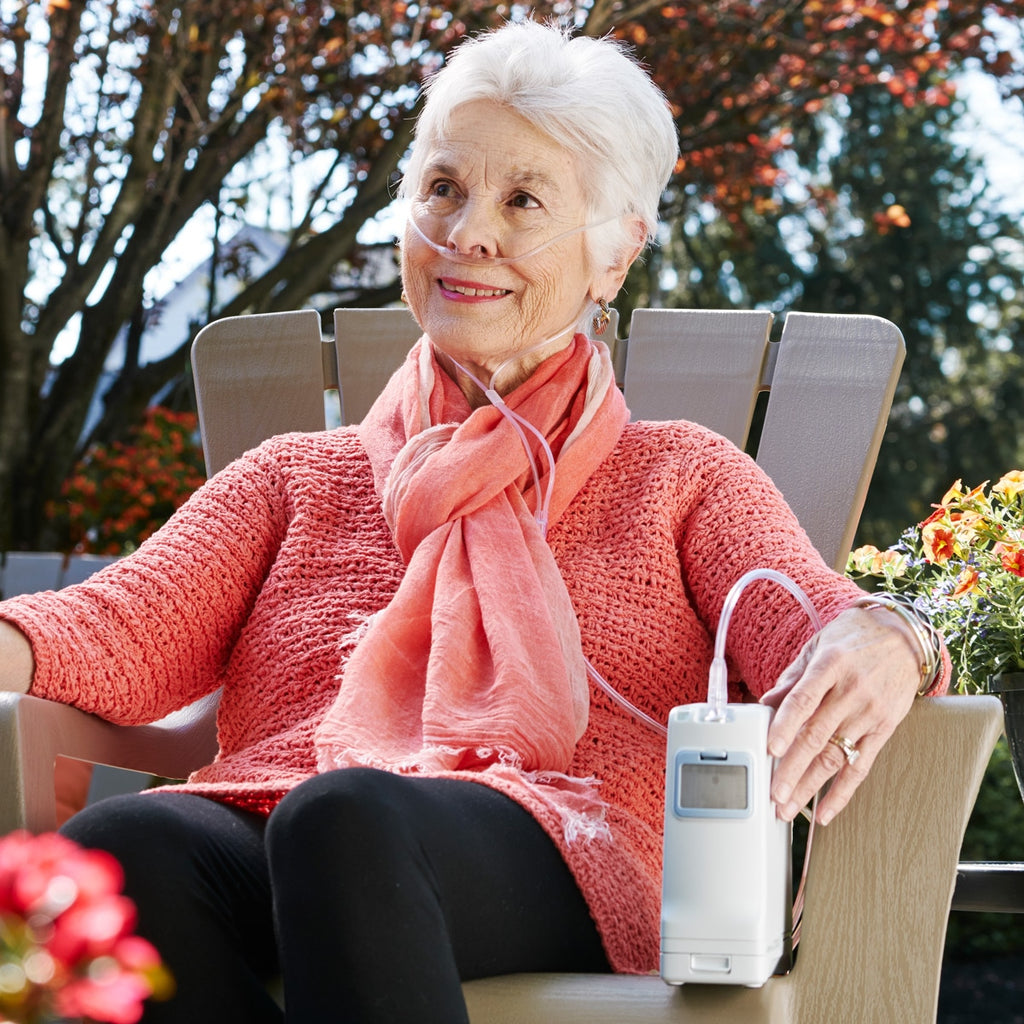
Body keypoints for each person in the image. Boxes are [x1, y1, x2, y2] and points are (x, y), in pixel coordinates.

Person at [0, 20, 944, 1024]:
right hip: (279, 822)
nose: (468, 233)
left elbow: (817, 631)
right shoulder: (296, 478)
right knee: (120, 853)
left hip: (568, 848)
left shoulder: (680, 477)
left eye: (523, 200)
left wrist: (897, 636)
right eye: (443, 188)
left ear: (614, 254)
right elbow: (108, 629)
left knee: (344, 817)